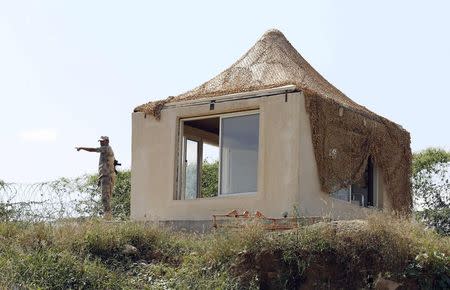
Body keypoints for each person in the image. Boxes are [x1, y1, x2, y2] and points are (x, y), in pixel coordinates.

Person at [76, 136, 115, 220]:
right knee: (106, 197)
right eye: (100, 141)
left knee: (105, 197)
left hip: (107, 176)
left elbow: (92, 149)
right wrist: (99, 178)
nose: (101, 143)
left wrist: (81, 148)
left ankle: (107, 216)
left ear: (107, 141)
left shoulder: (106, 148)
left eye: (102, 141)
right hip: (105, 176)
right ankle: (107, 215)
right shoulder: (105, 151)